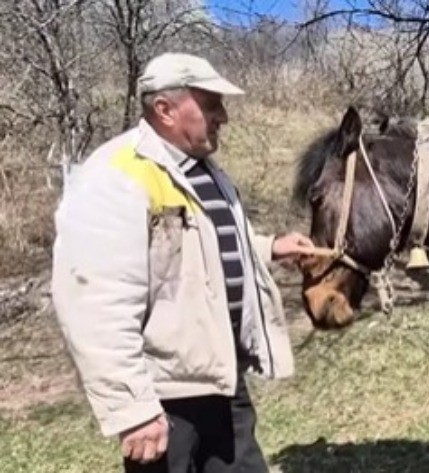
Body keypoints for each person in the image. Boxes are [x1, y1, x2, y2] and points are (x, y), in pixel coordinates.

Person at [51, 52, 316, 472]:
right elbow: (93, 301)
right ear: (165, 109)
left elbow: (201, 245)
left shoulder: (204, 171)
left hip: (220, 380)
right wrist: (133, 409)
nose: (223, 116)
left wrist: (268, 248)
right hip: (164, 397)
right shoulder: (116, 175)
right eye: (211, 105)